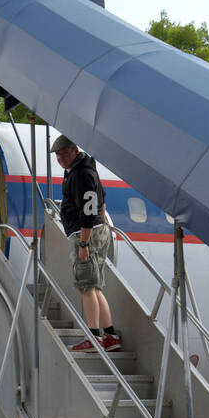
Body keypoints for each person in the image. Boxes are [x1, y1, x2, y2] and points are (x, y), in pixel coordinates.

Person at [51, 135, 121, 352]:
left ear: (75, 150)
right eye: (58, 155)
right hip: (96, 231)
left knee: (86, 287)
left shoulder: (81, 174)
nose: (60, 158)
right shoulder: (81, 170)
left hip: (86, 234)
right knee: (95, 286)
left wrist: (84, 243)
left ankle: (94, 338)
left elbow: (89, 210)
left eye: (64, 153)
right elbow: (102, 200)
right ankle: (110, 336)